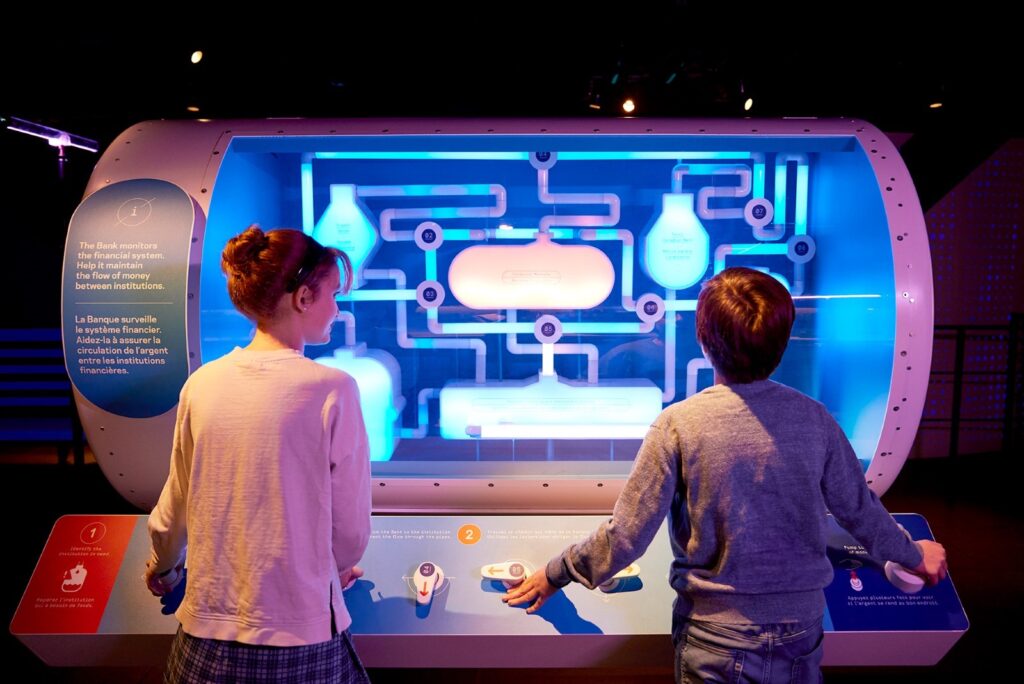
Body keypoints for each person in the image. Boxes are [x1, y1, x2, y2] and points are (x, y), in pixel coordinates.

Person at [505, 266, 947, 683]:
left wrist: (555, 573)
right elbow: (860, 511)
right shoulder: (816, 420)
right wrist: (913, 555)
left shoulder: (678, 425)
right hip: (800, 630)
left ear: (703, 339)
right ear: (784, 340)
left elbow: (626, 536)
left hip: (712, 636)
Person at [145, 225, 372, 683]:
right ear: (303, 299)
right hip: (302, 637)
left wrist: (164, 565)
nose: (337, 308)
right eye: (332, 295)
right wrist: (338, 566)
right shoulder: (333, 390)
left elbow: (175, 504)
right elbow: (349, 531)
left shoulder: (202, 383)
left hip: (203, 637)